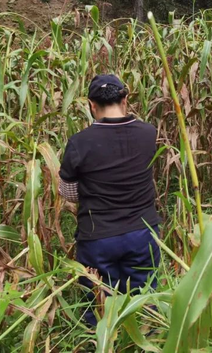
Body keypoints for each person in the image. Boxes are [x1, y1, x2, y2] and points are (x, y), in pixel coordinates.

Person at [58, 74, 161, 326]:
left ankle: (103, 343)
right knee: (143, 302)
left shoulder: (79, 142)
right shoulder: (149, 133)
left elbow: (68, 192)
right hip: (143, 232)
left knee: (98, 307)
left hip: (98, 238)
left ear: (92, 105)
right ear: (125, 99)